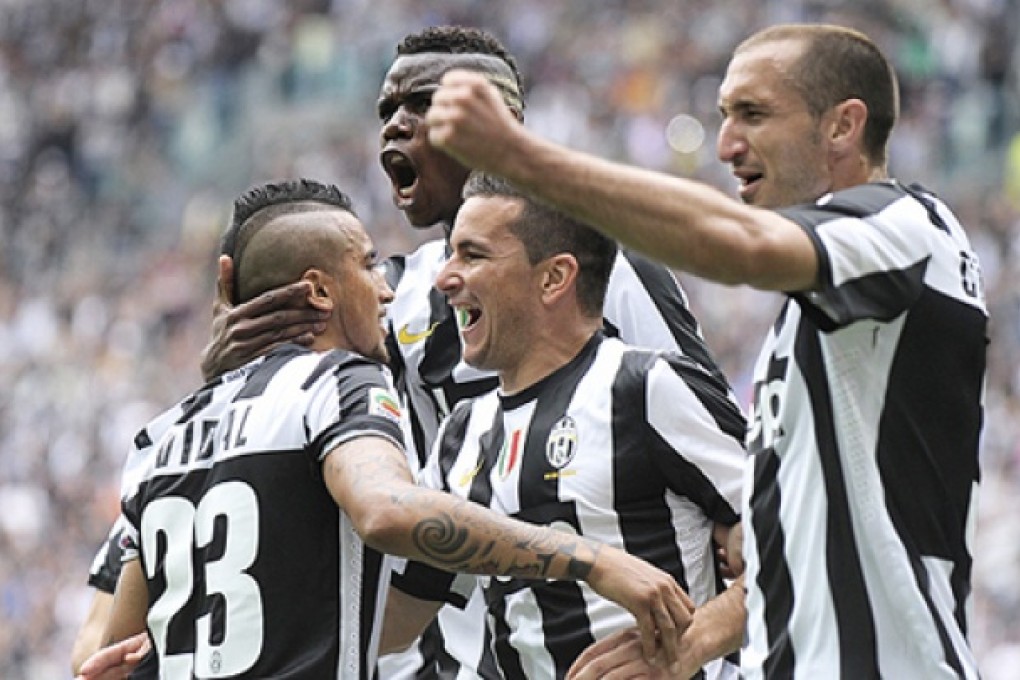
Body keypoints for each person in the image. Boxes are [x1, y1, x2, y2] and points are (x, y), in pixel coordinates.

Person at [425, 22, 988, 680]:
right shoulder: (817, 321)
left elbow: (739, 245)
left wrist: (528, 163)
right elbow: (771, 540)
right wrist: (689, 644)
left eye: (753, 114)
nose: (726, 145)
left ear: (843, 125)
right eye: (723, 116)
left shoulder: (907, 229)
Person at [193, 25, 738, 680]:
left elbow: (724, 475)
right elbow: (310, 417)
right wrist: (225, 375)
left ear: (496, 120)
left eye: (419, 104)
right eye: (385, 111)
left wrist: (696, 640)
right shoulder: (402, 295)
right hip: (462, 644)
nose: (393, 125)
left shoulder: (609, 269)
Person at [74, 179, 695, 680]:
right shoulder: (338, 381)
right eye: (368, 266)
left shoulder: (160, 436)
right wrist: (592, 560)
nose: (387, 289)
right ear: (320, 290)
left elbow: (113, 650)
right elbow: (387, 511)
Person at [379, 172, 747, 680]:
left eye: (473, 255)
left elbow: (797, 539)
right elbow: (395, 618)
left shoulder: (645, 387)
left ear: (554, 278)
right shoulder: (460, 437)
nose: (445, 278)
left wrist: (692, 643)